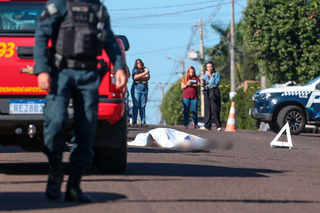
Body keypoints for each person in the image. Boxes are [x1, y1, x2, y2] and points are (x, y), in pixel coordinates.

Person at [34, 0, 127, 203]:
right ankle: (55, 170)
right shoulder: (58, 5)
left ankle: (74, 185)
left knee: (85, 131)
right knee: (55, 123)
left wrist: (119, 65)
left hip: (89, 76)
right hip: (61, 73)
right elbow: (41, 36)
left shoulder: (98, 9)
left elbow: (109, 40)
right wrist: (41, 69)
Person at [202, 62, 222, 131]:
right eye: (208, 67)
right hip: (207, 92)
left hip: (214, 92)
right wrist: (203, 82)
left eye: (210, 67)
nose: (209, 68)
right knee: (207, 109)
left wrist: (210, 76)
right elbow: (205, 84)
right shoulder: (205, 75)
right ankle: (207, 126)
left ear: (213, 67)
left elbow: (215, 84)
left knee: (214, 109)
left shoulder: (216, 75)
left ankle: (218, 125)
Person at [131, 59, 150, 127]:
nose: (140, 64)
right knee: (136, 105)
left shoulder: (145, 69)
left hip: (144, 89)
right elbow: (135, 77)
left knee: (143, 106)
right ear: (136, 64)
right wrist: (144, 74)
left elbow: (147, 78)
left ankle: (143, 121)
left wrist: (140, 77)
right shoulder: (135, 70)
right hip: (136, 89)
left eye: (140, 62)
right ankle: (134, 121)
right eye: (138, 63)